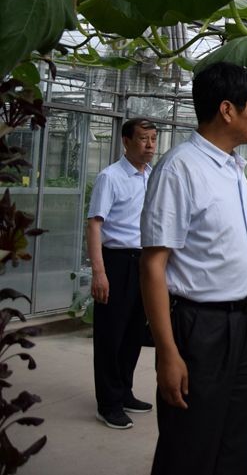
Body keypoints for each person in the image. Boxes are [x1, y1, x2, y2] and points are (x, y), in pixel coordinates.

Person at [139, 62, 247, 475]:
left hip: (245, 324)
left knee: (234, 440)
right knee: (190, 443)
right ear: (227, 110)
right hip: (200, 327)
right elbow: (153, 265)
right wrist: (167, 353)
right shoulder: (180, 168)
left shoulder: (233, 167)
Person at [87, 117, 158, 430]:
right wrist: (99, 272)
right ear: (126, 141)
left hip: (144, 262)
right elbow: (95, 224)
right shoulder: (111, 177)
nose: (150, 145)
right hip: (116, 261)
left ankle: (124, 391)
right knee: (110, 335)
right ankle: (108, 404)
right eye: (143, 138)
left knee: (133, 332)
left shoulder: (152, 176)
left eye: (153, 139)